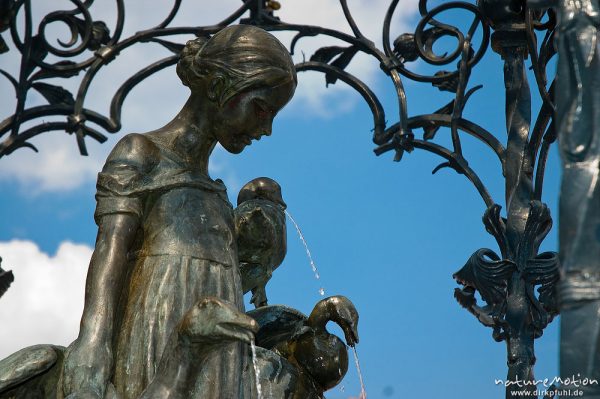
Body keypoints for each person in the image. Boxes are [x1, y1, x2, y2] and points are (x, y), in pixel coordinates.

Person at [61, 25, 297, 399]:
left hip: (222, 353)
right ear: (220, 87)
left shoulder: (218, 196)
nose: (265, 128)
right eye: (261, 108)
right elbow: (110, 251)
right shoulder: (142, 152)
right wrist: (92, 342)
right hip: (156, 327)